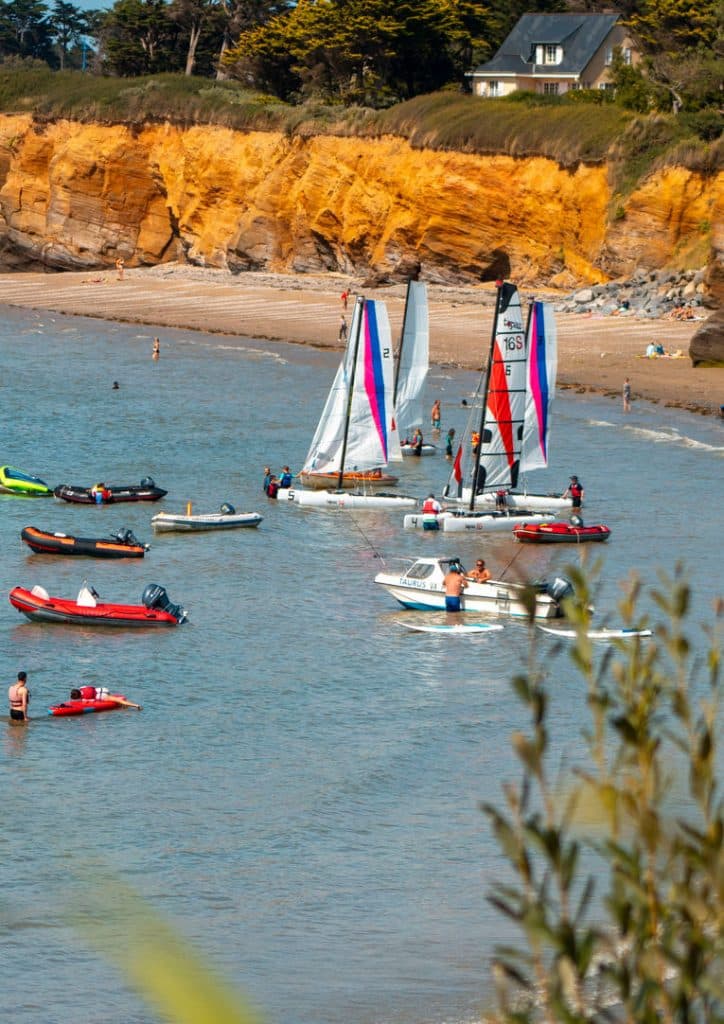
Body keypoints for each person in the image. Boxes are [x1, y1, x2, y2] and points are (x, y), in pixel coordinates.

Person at [70, 686, 141, 709]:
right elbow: (92, 687)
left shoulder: (84, 699)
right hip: (103, 689)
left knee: (119, 701)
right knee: (117, 700)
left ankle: (136, 705)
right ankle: (121, 701)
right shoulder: (82, 688)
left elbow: (92, 702)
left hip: (103, 696)